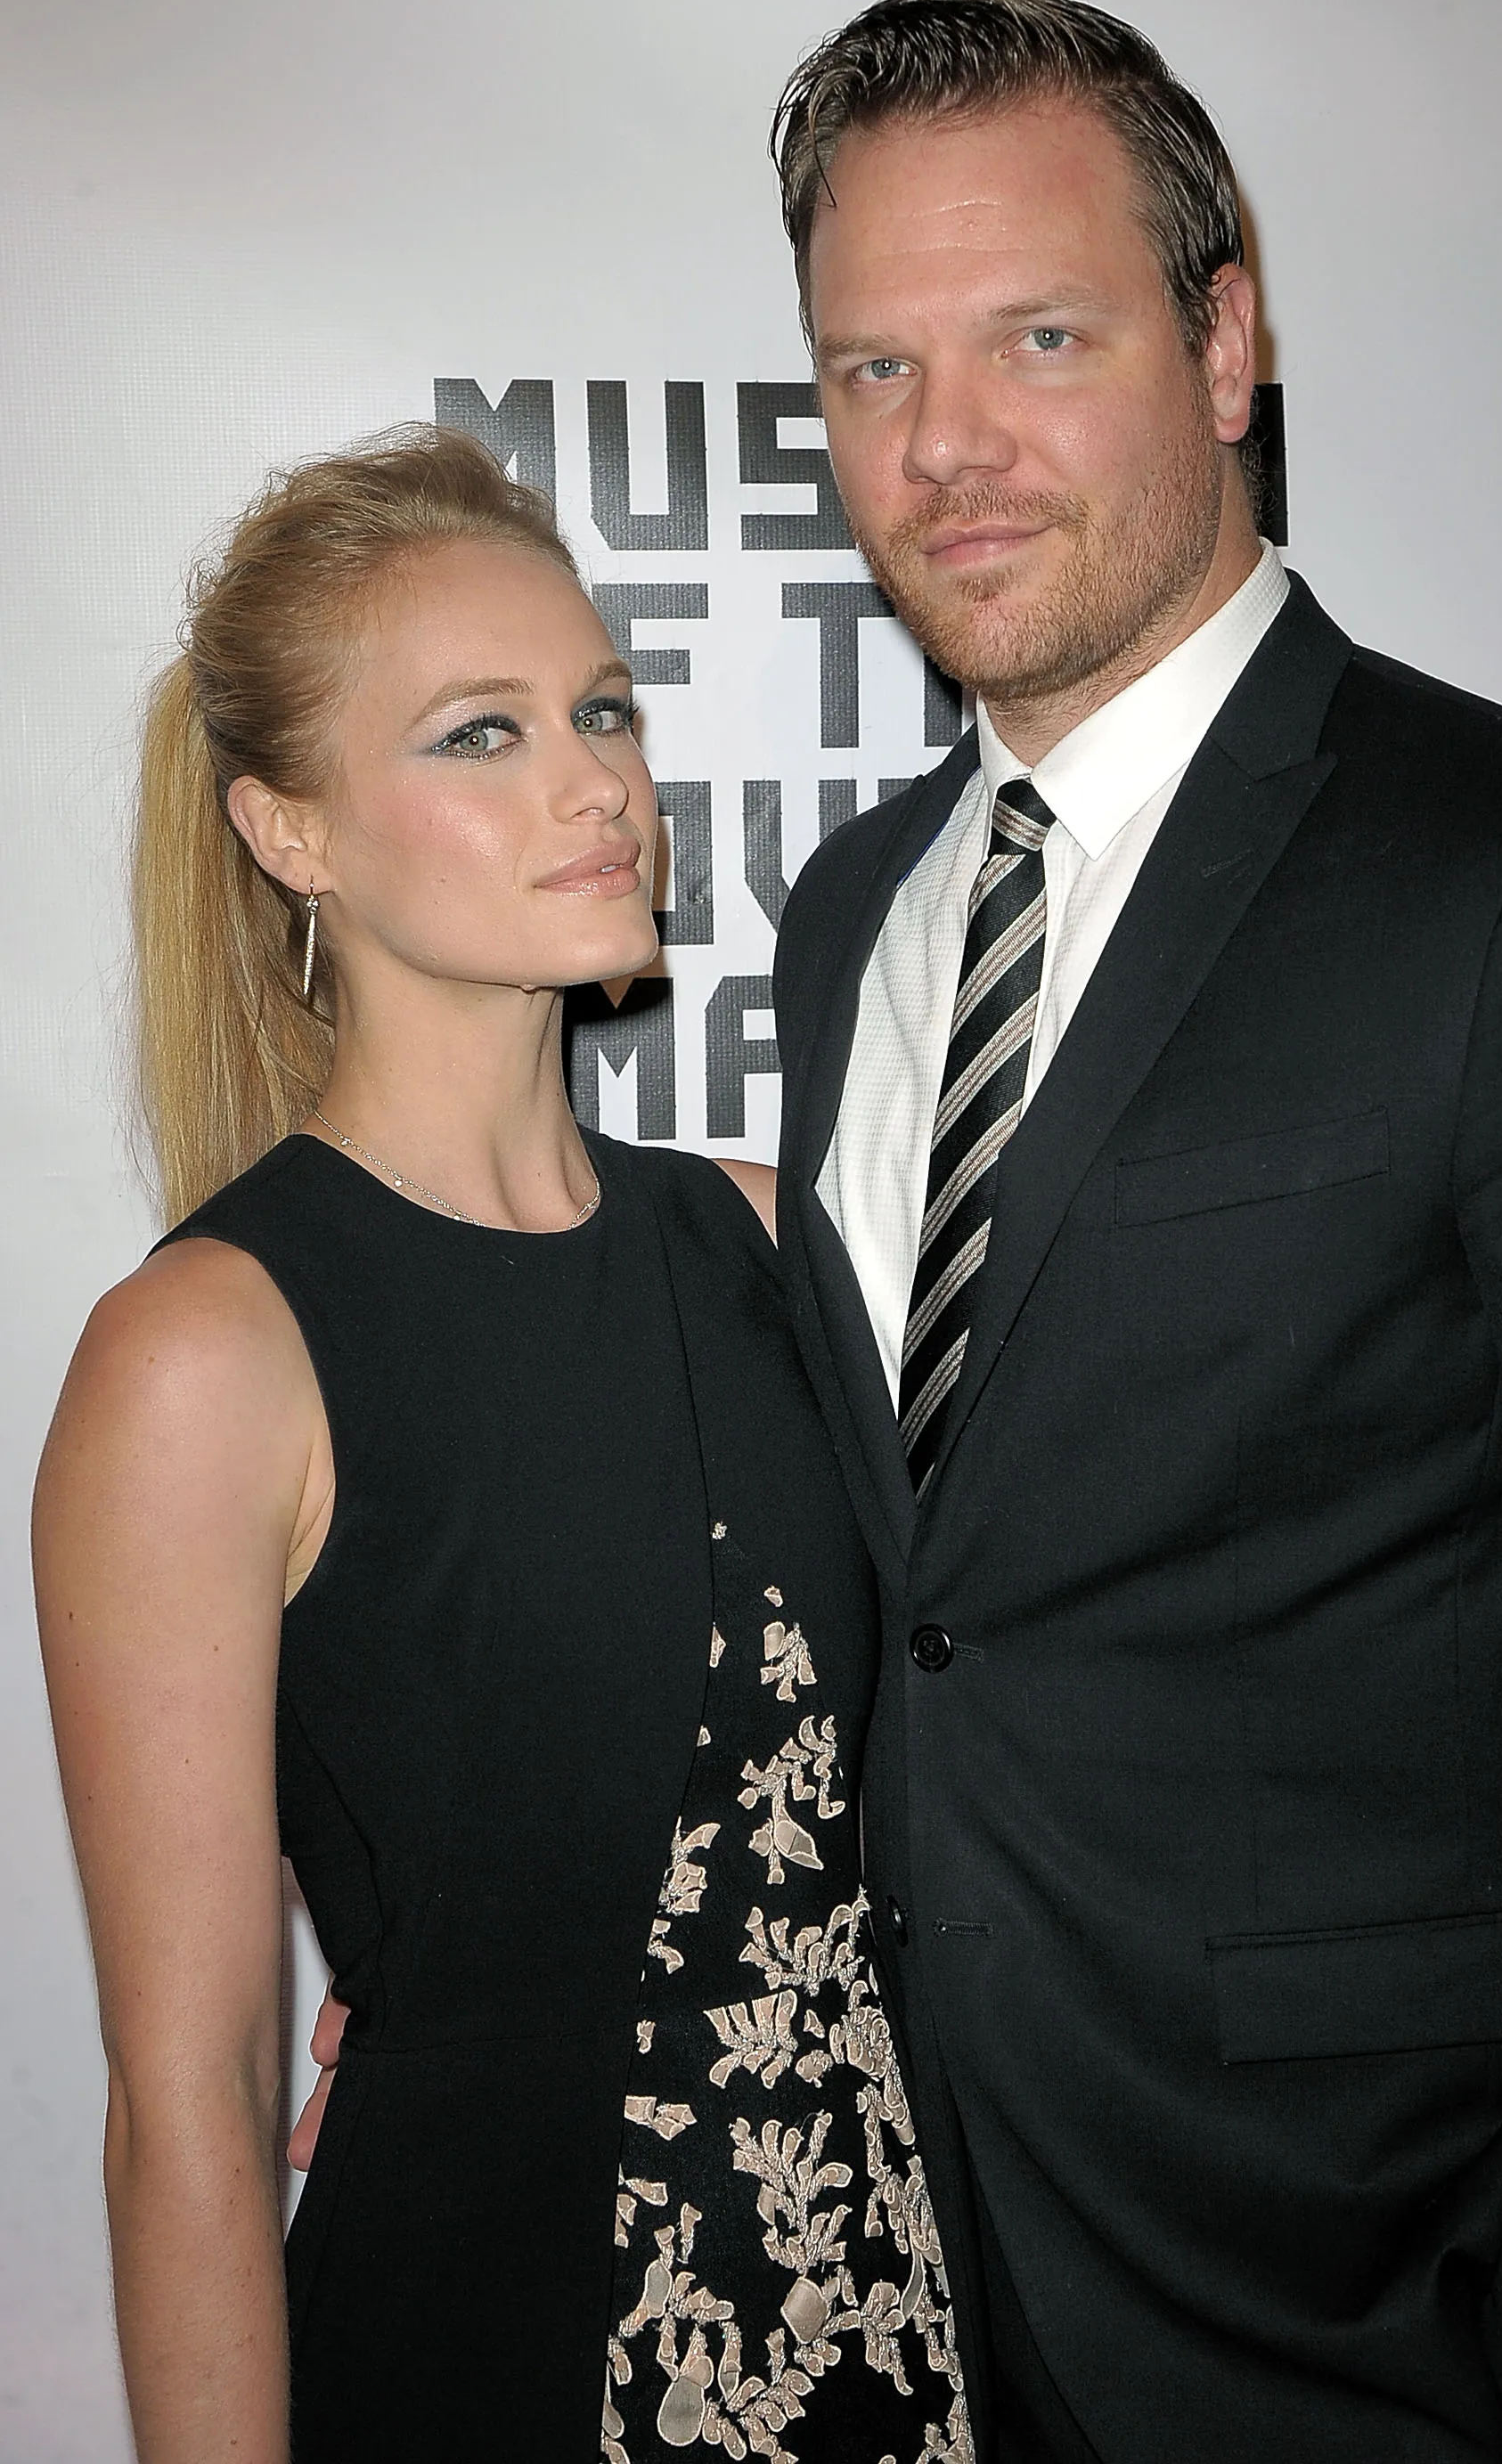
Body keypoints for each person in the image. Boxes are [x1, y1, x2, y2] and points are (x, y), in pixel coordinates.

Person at [763, 0, 1502, 2464]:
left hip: (1380, 2323)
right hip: (910, 2311)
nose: (946, 449)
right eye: (869, 369)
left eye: (1035, 335)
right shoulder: (848, 917)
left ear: (1227, 343)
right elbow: (940, 1607)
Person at [32, 428, 970, 2464]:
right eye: (482, 733)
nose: (594, 782)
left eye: (601, 711)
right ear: (290, 833)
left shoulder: (760, 1235)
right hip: (495, 2343)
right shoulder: (205, 1356)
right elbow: (184, 2113)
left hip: (893, 2335)